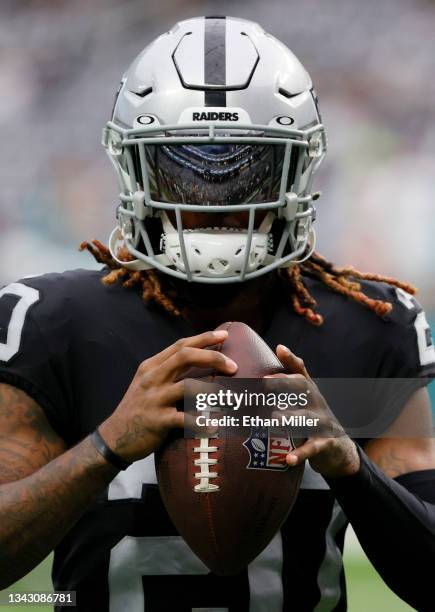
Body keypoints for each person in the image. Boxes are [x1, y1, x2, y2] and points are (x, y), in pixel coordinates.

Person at [1, 15, 435, 612]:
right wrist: (104, 448)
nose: (215, 202)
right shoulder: (57, 326)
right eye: (182, 171)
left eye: (248, 171)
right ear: (136, 169)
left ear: (298, 173)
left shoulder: (364, 330)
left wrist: (351, 465)